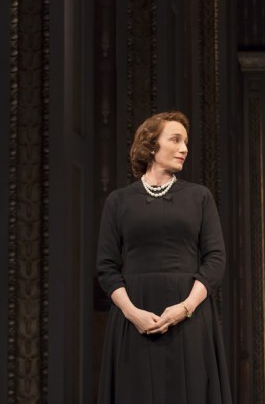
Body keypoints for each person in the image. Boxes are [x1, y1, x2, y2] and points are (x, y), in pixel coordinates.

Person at [96, 111, 232, 403]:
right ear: (151, 145)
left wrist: (184, 308)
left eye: (186, 142)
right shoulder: (119, 201)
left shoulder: (199, 197)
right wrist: (132, 314)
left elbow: (215, 259)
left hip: (189, 316)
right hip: (135, 316)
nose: (184, 148)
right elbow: (106, 267)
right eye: (175, 139)